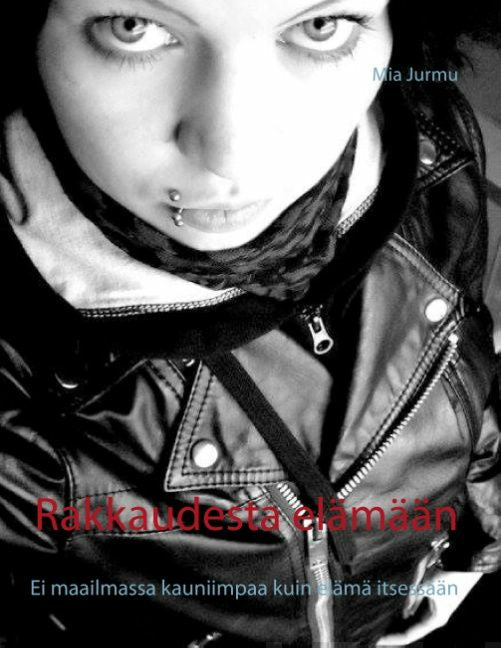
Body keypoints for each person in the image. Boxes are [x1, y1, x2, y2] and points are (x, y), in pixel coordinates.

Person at [0, 0, 500, 646]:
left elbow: (467, 366)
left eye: (320, 25)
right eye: (133, 27)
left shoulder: (427, 150)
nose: (234, 156)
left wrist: (470, 548)